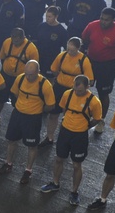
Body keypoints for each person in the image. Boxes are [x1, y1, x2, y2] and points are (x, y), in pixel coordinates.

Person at [40, 75, 103, 205]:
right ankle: (55, 183)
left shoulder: (94, 102)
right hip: (65, 132)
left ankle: (74, 192)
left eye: (80, 90)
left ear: (87, 87)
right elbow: (64, 109)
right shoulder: (67, 94)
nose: (76, 92)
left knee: (76, 165)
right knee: (59, 159)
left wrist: (85, 126)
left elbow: (97, 119)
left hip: (80, 136)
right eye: (75, 89)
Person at [0, 61, 55, 185]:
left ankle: (28, 170)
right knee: (11, 140)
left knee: (32, 146)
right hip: (18, 115)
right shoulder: (20, 78)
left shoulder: (45, 85)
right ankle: (8, 163)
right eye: (26, 73)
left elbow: (50, 105)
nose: (28, 77)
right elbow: (14, 93)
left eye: (31, 74)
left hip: (33, 119)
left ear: (38, 72)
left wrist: (38, 110)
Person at [81, 7, 115, 133]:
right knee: (82, 88)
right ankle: (78, 112)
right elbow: (85, 40)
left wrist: (114, 53)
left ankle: (100, 120)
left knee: (103, 93)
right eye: (102, 18)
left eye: (107, 20)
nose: (103, 22)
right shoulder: (92, 26)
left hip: (107, 65)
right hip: (91, 62)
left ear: (113, 20)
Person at [44, 36, 92, 144]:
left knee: (69, 115)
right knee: (53, 114)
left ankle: (66, 138)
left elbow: (88, 79)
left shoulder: (84, 60)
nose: (69, 52)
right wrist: (62, 78)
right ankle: (49, 137)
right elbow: (54, 69)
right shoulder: (62, 56)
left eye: (72, 50)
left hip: (73, 91)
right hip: (59, 88)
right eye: (68, 49)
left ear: (78, 48)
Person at [0, 27, 38, 127]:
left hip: (21, 79)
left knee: (18, 100)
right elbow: (2, 57)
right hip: (5, 75)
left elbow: (34, 67)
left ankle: (17, 121)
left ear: (23, 38)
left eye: (17, 40)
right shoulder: (7, 42)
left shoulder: (31, 49)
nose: (15, 42)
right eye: (13, 40)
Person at [34, 5, 68, 76]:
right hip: (39, 56)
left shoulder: (61, 31)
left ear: (56, 17)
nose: (47, 19)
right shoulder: (41, 26)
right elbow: (35, 39)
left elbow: (65, 47)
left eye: (49, 17)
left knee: (49, 77)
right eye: (46, 16)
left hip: (51, 59)